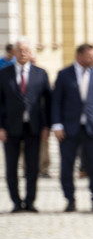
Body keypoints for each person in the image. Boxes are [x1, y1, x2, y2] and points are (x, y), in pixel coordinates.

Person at [52, 43, 93, 212]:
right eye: (91, 56)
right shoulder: (64, 75)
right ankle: (70, 199)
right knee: (67, 166)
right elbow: (56, 102)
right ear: (80, 56)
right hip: (69, 128)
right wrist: (57, 124)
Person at [0, 38, 50, 212]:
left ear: (31, 53)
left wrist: (46, 126)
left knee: (33, 166)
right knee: (11, 167)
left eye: (26, 50)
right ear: (14, 53)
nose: (23, 53)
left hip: (34, 127)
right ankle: (16, 202)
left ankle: (30, 201)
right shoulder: (4, 74)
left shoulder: (40, 74)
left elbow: (48, 102)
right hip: (10, 127)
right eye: (20, 50)